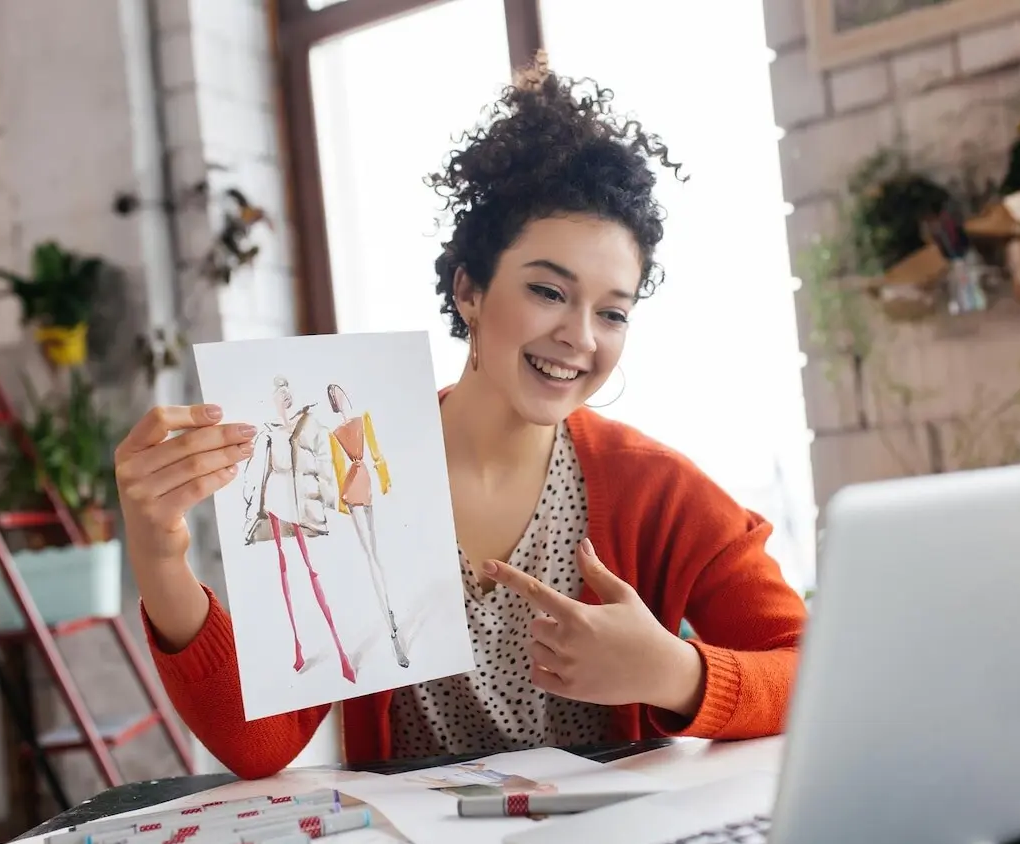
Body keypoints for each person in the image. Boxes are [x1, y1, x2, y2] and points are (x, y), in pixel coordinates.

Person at [113, 61, 808, 780]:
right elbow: (261, 747)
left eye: (612, 312)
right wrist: (160, 559)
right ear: (469, 291)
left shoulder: (655, 489)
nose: (580, 336)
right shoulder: (359, 462)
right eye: (548, 291)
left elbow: (814, 670)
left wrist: (675, 673)